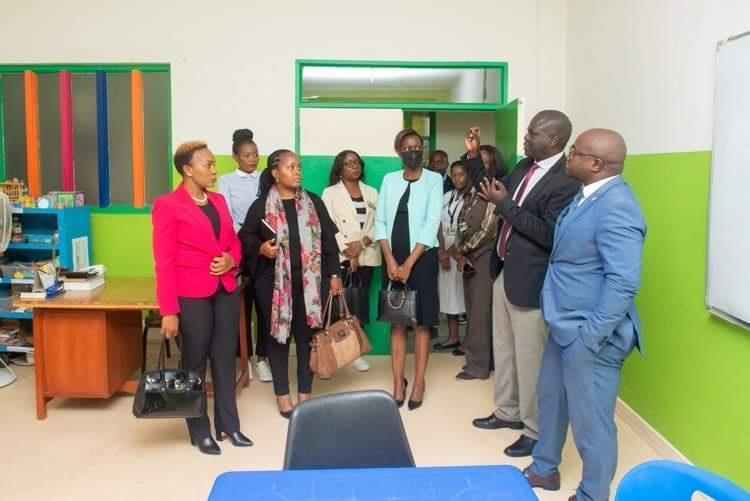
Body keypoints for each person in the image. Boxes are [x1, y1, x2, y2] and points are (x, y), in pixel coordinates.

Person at [523, 129, 646, 501]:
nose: (568, 155)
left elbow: (623, 281)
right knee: (551, 400)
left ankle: (593, 493)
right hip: (563, 324)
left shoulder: (618, 205)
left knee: (592, 423)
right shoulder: (585, 195)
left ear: (595, 163)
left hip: (590, 334)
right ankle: (544, 468)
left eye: (574, 151)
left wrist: (590, 337)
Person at [474, 111, 579, 458]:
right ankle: (507, 412)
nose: (525, 136)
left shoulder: (566, 181)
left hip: (532, 280)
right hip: (504, 269)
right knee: (504, 349)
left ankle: (535, 429)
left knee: (531, 358)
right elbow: (493, 188)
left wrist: (505, 205)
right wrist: (475, 158)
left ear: (553, 140)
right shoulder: (523, 166)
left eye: (533, 132)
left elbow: (548, 234)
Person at [152, 140, 253, 455]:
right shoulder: (168, 205)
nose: (214, 170)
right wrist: (169, 310)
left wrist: (231, 260)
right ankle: (199, 430)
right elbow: (164, 261)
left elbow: (233, 242)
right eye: (207, 164)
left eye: (213, 164)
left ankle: (229, 425)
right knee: (194, 363)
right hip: (191, 294)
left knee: (224, 358)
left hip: (224, 290)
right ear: (187, 169)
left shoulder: (218, 201)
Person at [238, 149, 342, 418]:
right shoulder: (261, 206)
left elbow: (329, 243)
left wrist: (334, 276)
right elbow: (245, 238)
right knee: (278, 338)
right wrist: (261, 248)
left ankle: (305, 395)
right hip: (272, 285)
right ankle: (283, 397)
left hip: (311, 285)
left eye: (299, 167)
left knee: (307, 338)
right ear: (275, 173)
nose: (297, 172)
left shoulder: (313, 202)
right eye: (291, 167)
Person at [374, 128, 443, 410]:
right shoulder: (389, 180)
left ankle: (418, 382)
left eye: (417, 147)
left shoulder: (434, 180)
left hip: (422, 258)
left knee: (422, 322)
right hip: (392, 257)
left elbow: (431, 222)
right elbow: (380, 221)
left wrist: (408, 264)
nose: (412, 151)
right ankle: (397, 382)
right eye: (407, 147)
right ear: (399, 151)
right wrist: (391, 260)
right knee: (397, 319)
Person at [217, 128, 272, 383]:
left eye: (256, 155)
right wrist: (247, 239)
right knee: (242, 306)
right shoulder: (227, 181)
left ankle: (263, 358)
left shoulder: (265, 178)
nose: (252, 159)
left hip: (266, 249)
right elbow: (227, 217)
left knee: (265, 306)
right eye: (247, 155)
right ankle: (245, 357)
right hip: (240, 249)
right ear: (235, 157)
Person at [321, 149, 381, 373]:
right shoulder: (330, 193)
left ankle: (356, 352)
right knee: (337, 307)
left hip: (366, 254)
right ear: (340, 169)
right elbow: (328, 224)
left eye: (357, 162)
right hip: (341, 256)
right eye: (348, 163)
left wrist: (362, 244)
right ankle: (335, 353)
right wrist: (349, 252)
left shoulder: (372, 192)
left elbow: (380, 222)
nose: (354, 166)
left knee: (358, 303)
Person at [452, 132, 501, 381]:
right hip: (469, 258)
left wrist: (462, 250)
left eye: (483, 162)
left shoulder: (493, 191)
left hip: (484, 257)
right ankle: (480, 359)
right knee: (473, 311)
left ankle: (479, 366)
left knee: (480, 314)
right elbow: (463, 224)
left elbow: (487, 229)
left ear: (492, 166)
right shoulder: (472, 193)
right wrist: (460, 252)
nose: (477, 167)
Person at [433, 161, 468, 351]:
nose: (457, 178)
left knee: (465, 296)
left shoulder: (473, 197)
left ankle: (469, 341)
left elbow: (468, 229)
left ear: (468, 175)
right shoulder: (447, 196)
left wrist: (450, 251)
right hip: (444, 250)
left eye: (461, 174)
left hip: (462, 251)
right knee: (448, 295)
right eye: (454, 175)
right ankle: (453, 337)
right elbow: (438, 223)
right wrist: (441, 251)